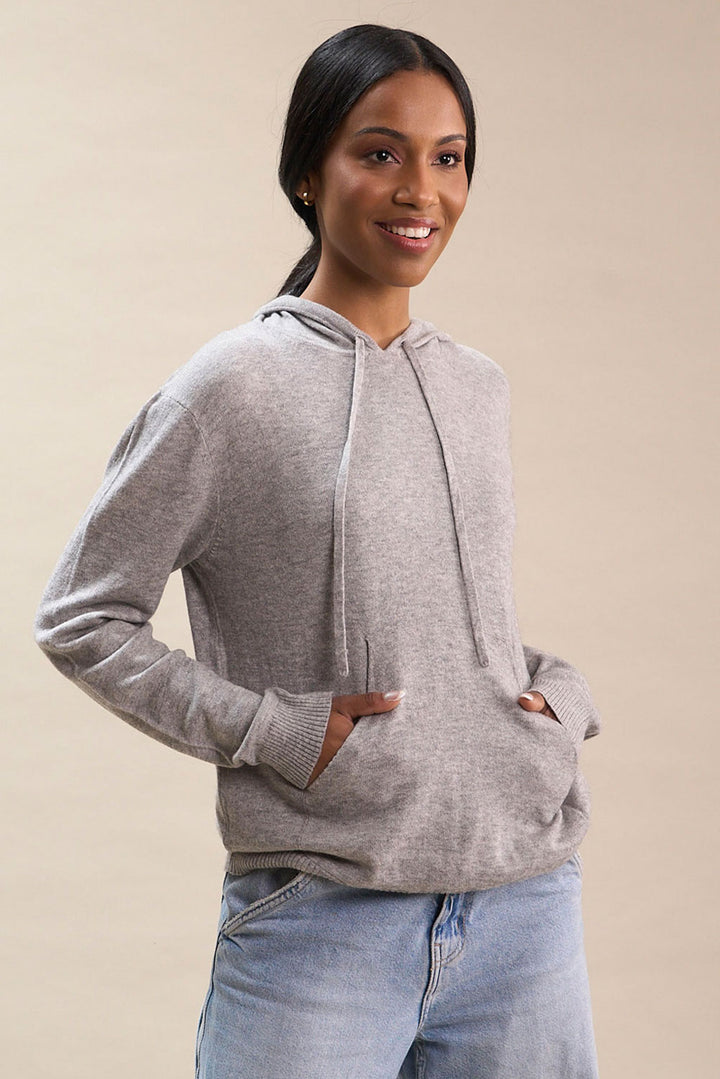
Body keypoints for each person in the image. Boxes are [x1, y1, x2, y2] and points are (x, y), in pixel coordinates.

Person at [34, 22, 602, 1079]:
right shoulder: (230, 389)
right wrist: (271, 730)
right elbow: (82, 617)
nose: (420, 190)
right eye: (380, 152)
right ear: (308, 172)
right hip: (322, 919)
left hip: (523, 907)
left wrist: (553, 697)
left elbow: (457, 619)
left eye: (448, 157)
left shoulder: (477, 386)